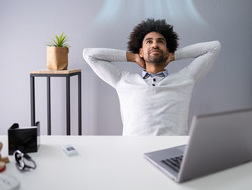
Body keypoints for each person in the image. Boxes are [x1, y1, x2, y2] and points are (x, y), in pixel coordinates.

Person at [83, 18, 221, 136]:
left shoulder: (185, 79)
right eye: (149, 41)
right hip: (133, 154)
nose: (155, 44)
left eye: (160, 41)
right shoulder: (123, 80)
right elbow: (89, 54)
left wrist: (174, 56)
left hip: (174, 153)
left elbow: (214, 47)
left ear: (167, 50)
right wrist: (133, 57)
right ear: (141, 51)